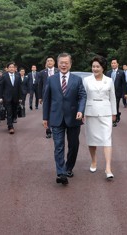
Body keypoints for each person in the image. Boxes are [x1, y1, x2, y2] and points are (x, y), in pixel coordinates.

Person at [42, 53, 87, 185]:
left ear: (70, 64)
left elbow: (83, 96)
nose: (63, 65)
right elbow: (47, 99)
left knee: (73, 145)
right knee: (59, 146)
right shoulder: (51, 79)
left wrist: (81, 110)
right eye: (61, 62)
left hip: (74, 117)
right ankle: (61, 172)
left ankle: (68, 168)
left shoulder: (77, 80)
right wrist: (45, 117)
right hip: (56, 118)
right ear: (57, 64)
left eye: (66, 62)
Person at [83, 56, 117, 179]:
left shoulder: (109, 80)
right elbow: (83, 97)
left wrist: (114, 113)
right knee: (92, 140)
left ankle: (108, 168)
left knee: (107, 139)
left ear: (103, 68)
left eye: (98, 66)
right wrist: (81, 112)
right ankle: (94, 161)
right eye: (93, 66)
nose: (95, 69)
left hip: (106, 112)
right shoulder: (86, 80)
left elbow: (112, 97)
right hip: (90, 111)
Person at [38, 56, 59, 138]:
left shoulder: (58, 71)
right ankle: (48, 130)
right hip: (46, 95)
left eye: (51, 61)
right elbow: (40, 85)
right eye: (48, 61)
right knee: (47, 112)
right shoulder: (42, 72)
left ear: (54, 62)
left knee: (56, 111)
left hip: (57, 95)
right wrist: (40, 97)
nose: (49, 62)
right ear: (46, 63)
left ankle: (56, 128)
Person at [0, 62, 22, 134]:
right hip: (7, 97)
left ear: (15, 68)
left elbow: (19, 88)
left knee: (14, 111)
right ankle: (10, 126)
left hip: (15, 98)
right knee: (9, 112)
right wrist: (1, 97)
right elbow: (1, 87)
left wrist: (20, 97)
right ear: (7, 69)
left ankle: (11, 122)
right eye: (10, 67)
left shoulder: (18, 77)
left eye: (13, 67)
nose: (11, 68)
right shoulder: (4, 76)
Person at [105, 58, 127, 126]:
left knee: (115, 105)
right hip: (108, 93)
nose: (113, 64)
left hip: (117, 92)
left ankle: (114, 120)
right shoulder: (108, 73)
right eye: (112, 63)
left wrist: (125, 93)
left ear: (117, 64)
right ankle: (112, 117)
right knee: (109, 106)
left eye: (114, 63)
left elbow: (124, 84)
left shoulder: (121, 72)